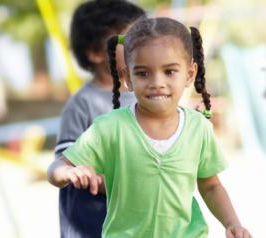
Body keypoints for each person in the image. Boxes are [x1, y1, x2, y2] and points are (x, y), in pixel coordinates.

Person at [48, 17, 252, 238]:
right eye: (143, 73)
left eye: (170, 71)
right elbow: (55, 170)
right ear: (127, 78)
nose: (157, 82)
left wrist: (232, 223)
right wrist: (69, 171)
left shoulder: (199, 128)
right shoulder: (109, 128)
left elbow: (211, 185)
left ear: (190, 74)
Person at [54, 1, 145, 237]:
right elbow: (62, 164)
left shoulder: (149, 94)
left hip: (139, 216)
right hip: (94, 220)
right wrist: (74, 173)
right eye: (130, 39)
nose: (143, 45)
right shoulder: (82, 104)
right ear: (95, 53)